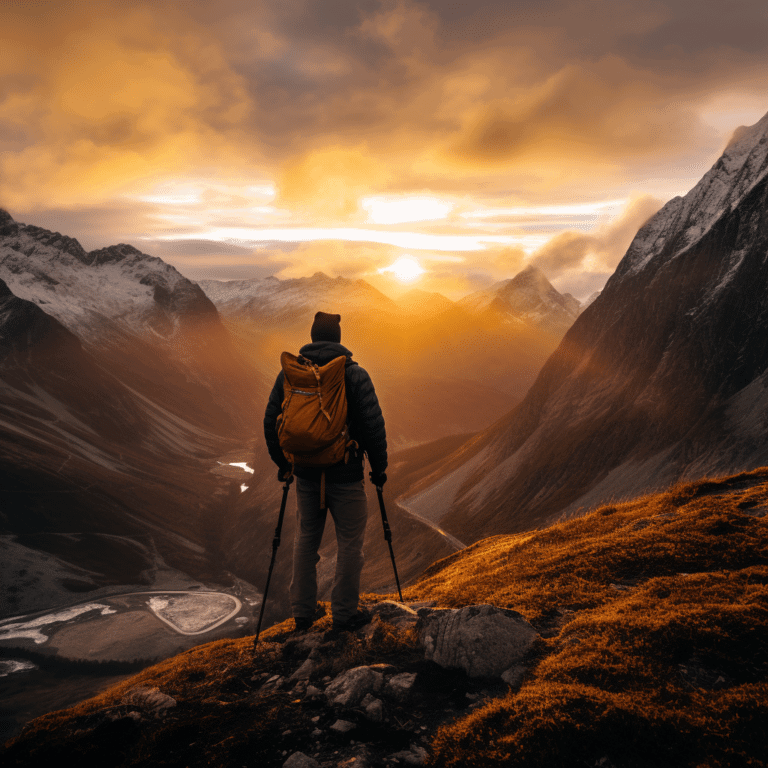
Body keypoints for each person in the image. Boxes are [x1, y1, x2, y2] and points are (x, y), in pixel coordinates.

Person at [263, 311, 388, 633]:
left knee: (306, 541)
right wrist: (379, 469)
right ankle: (344, 615)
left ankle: (303, 613)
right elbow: (373, 426)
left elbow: (270, 421)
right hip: (345, 474)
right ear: (338, 339)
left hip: (305, 473)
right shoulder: (353, 374)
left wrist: (284, 464)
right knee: (350, 545)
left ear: (312, 336)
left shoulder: (291, 375)